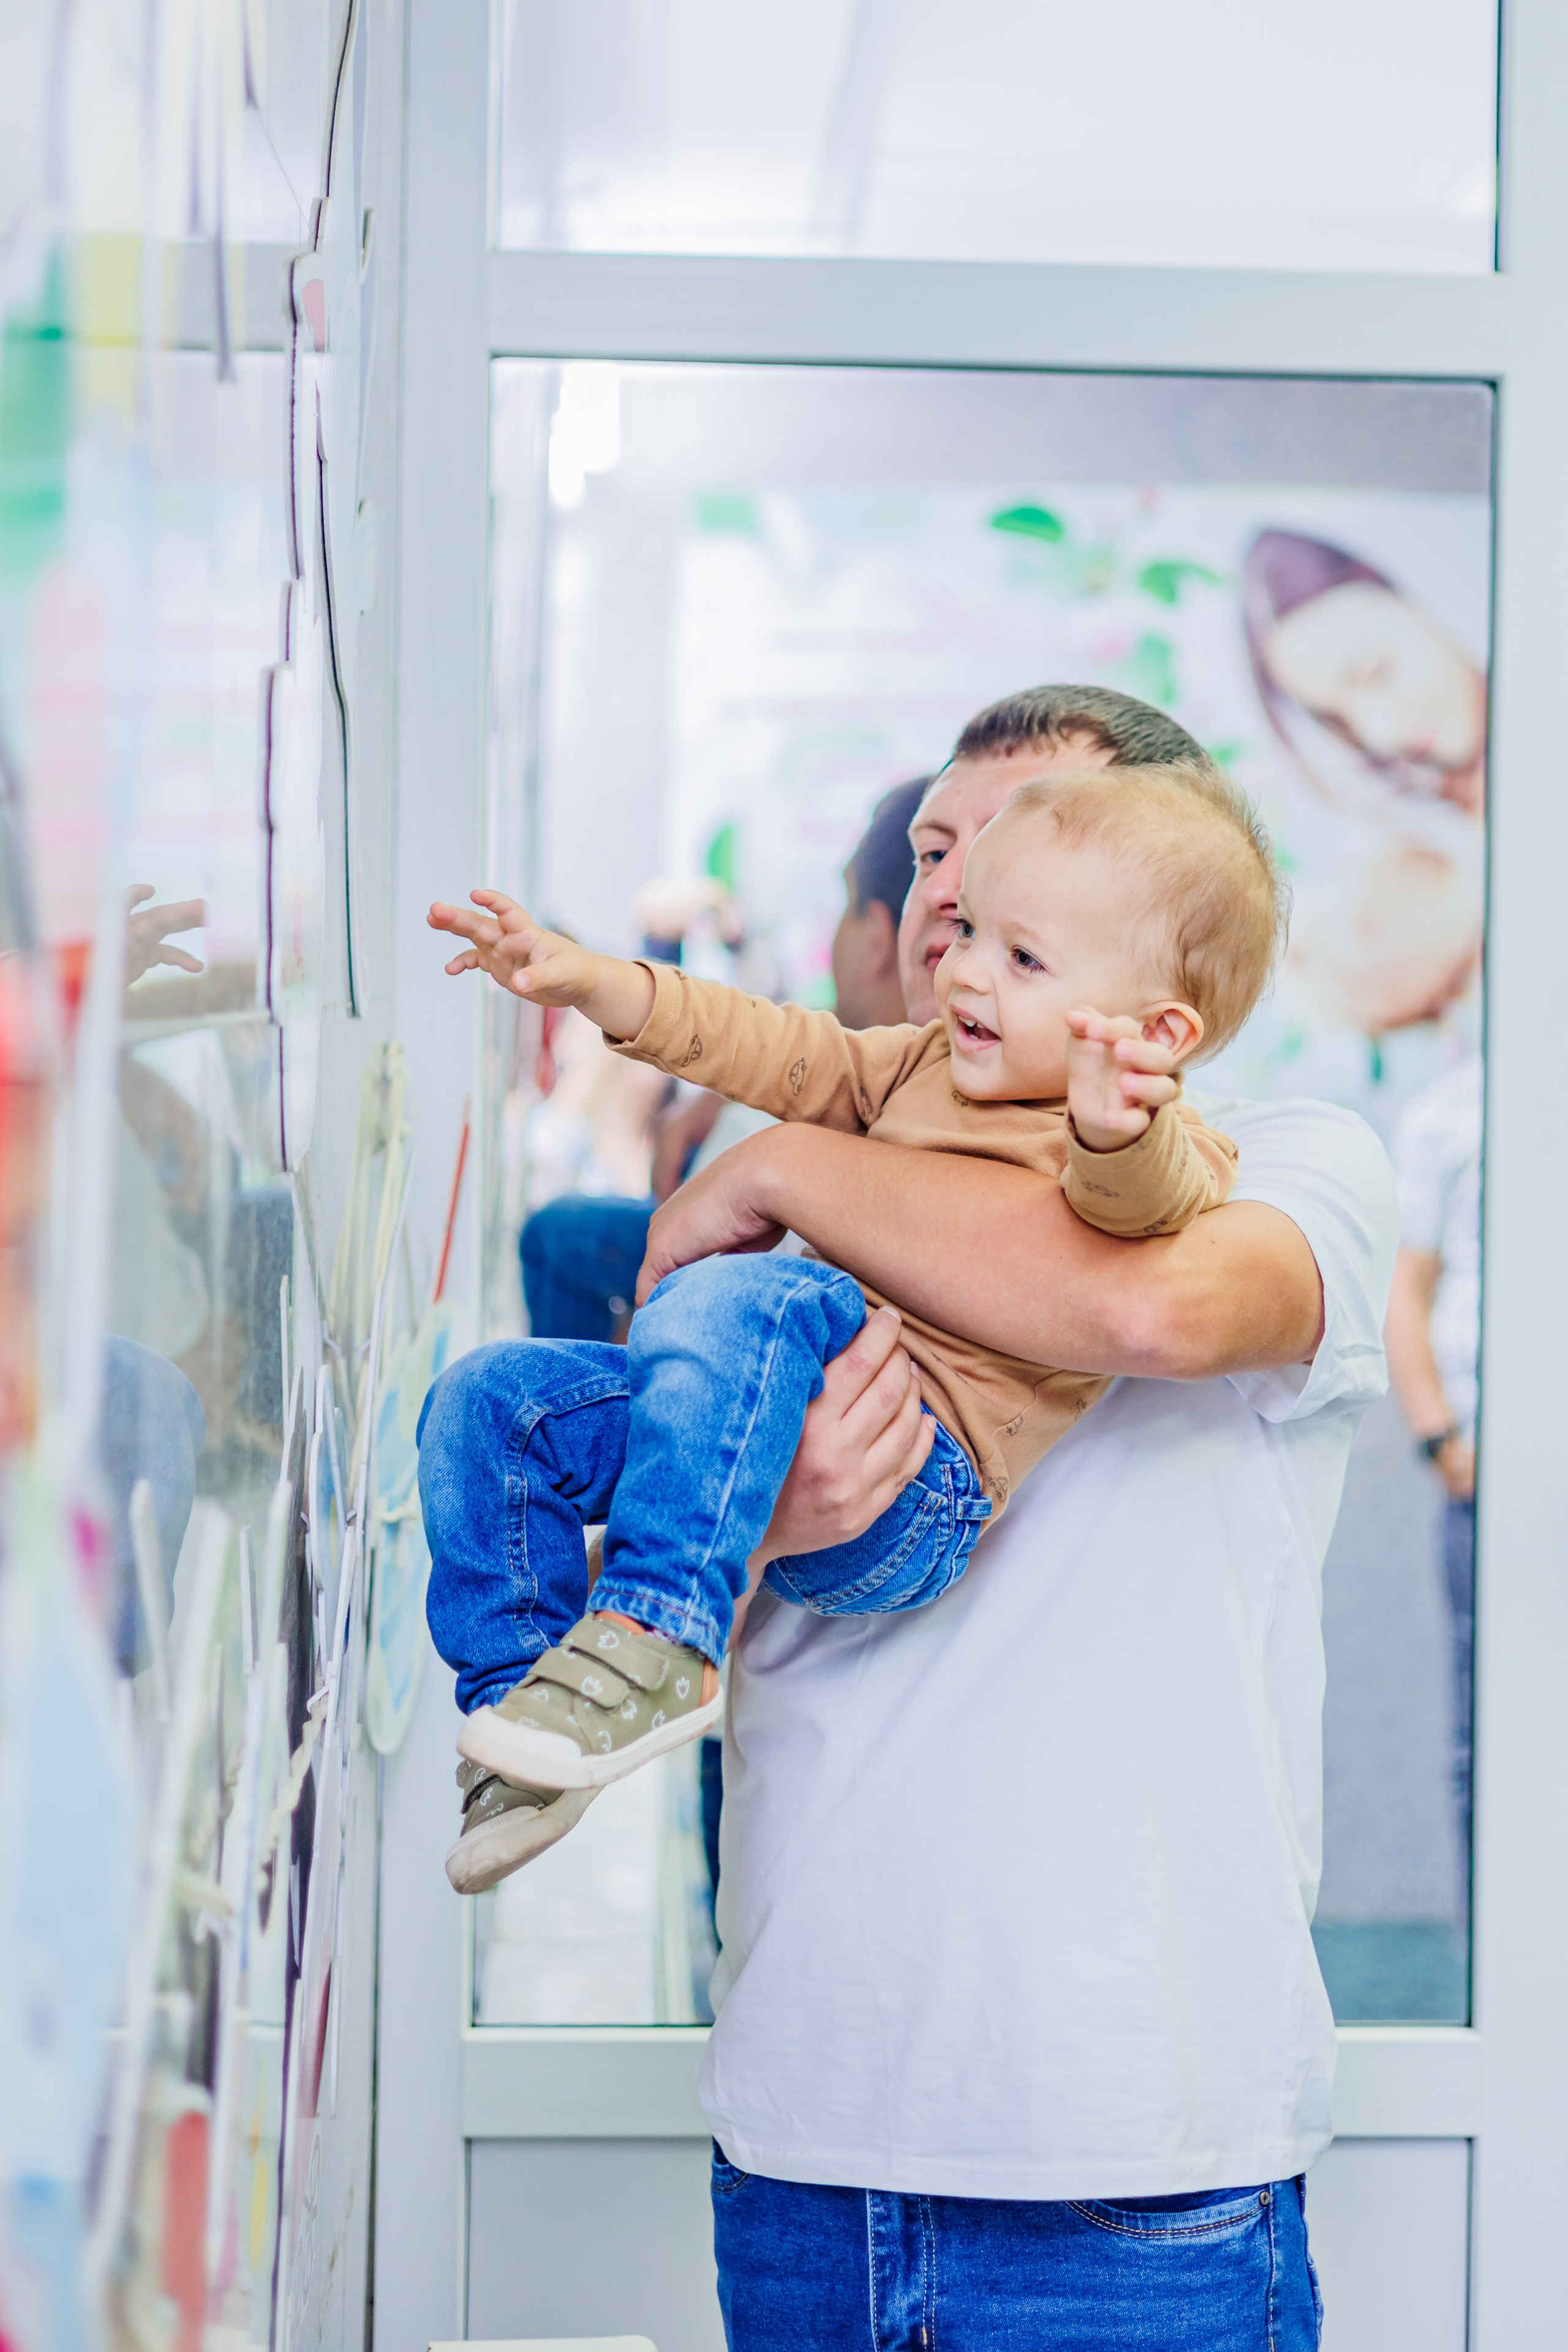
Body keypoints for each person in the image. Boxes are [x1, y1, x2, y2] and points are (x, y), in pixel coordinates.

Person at [626, 683, 1394, 2348]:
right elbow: (658, 1537)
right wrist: (751, 1524)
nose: (956, 906)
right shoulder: (816, 1154)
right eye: (931, 854)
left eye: (1022, 857)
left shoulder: (1283, 1162)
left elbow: (1158, 1313)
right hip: (805, 2143)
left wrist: (781, 1176)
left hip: (1136, 2169)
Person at [421, 761, 1278, 1881]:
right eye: (969, 929)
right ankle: (525, 1733)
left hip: (913, 1493)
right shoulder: (919, 1067)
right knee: (492, 1401)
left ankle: (660, 1632)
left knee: (770, 1291)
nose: (965, 971)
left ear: (1157, 1030)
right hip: (768, 1431)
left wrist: (1118, 1127)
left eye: (1023, 959)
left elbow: (1139, 1206)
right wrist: (598, 985)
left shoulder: (1161, 1142)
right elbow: (762, 1044)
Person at [1383, 1052, 1482, 1847]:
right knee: (1483, 1734)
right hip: (1486, 1480)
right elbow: (1405, 1290)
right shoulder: (1450, 1116)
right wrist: (1440, 1439)